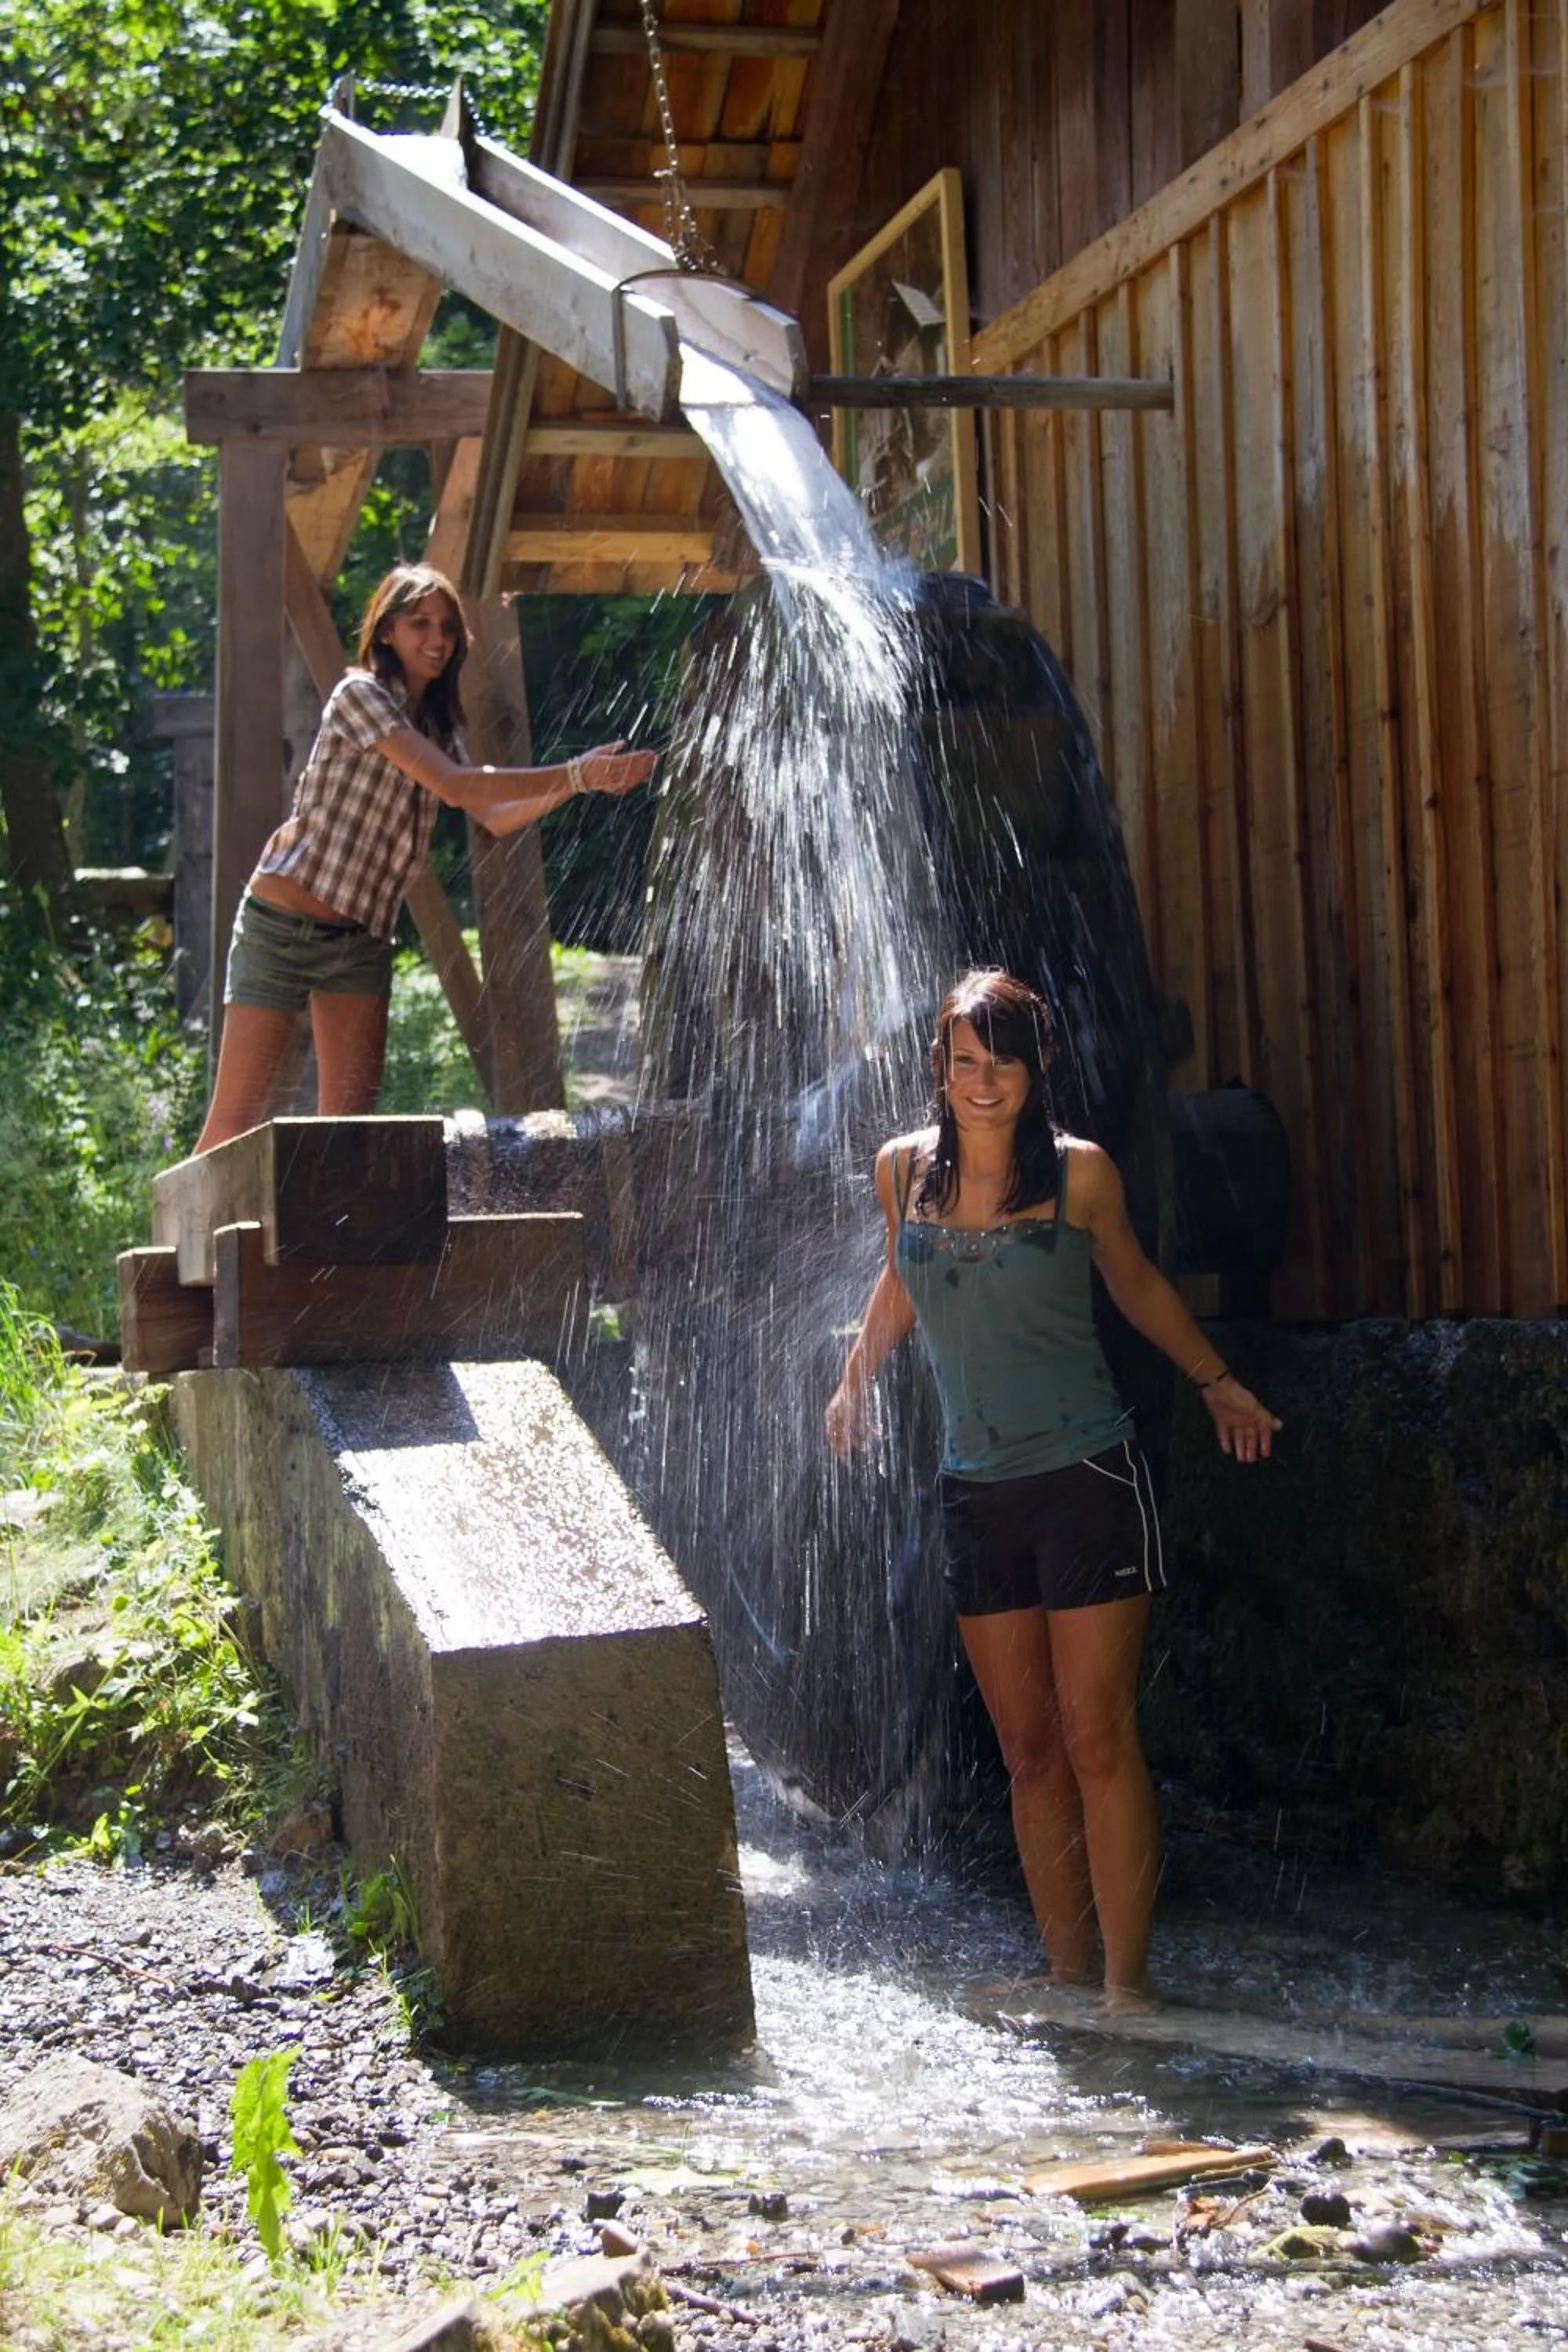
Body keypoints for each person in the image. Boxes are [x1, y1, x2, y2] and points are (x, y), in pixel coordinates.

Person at [824, 967, 1279, 2011]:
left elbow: (1136, 1284)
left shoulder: (1080, 1176)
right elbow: (898, 1278)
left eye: (1005, 1062)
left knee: (1095, 1735)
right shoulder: (903, 1171)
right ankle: (1065, 1971)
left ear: (1035, 1072)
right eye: (966, 1061)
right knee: (1028, 1749)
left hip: (1085, 1478)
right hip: (975, 1493)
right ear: (940, 1067)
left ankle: (1127, 1987)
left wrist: (1216, 1383)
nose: (985, 1082)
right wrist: (853, 1384)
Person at [194, 563, 656, 1152]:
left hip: (360, 944)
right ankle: (183, 1247)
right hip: (279, 926)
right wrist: (574, 770)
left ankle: (329, 1249)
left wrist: (583, 784)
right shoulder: (359, 695)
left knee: (348, 1137)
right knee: (234, 1122)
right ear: (386, 631)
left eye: (446, 628)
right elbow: (457, 787)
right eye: (420, 624)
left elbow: (493, 814)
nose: (437, 640)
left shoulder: (439, 728)